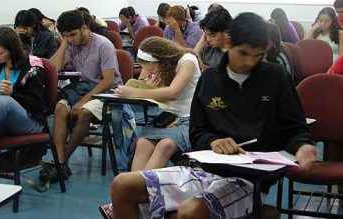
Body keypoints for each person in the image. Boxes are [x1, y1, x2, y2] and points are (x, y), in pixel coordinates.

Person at [100, 12, 317, 219]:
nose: (248, 62)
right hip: (204, 170)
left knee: (191, 211)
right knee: (122, 186)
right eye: (242, 53)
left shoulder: (275, 77)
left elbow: (295, 127)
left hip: (250, 180)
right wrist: (213, 141)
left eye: (257, 56)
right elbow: (197, 133)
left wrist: (303, 145)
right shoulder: (211, 79)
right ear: (229, 43)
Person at [43, 10, 122, 181]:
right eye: (66, 36)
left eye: (72, 34)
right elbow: (54, 68)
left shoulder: (103, 45)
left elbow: (108, 81)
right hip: (83, 88)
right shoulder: (71, 44)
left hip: (108, 92)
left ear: (84, 28)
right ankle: (61, 161)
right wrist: (64, 44)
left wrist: (82, 101)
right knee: (60, 108)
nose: (70, 39)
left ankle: (62, 161)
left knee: (85, 112)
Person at [114, 36, 201, 171]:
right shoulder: (153, 64)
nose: (152, 73)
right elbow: (144, 83)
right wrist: (147, 87)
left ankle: (144, 187)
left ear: (163, 60)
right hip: (167, 117)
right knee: (143, 144)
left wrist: (135, 92)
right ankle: (135, 189)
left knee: (164, 145)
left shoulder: (187, 61)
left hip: (189, 118)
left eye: (153, 70)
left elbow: (173, 93)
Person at [0, 27, 45, 138]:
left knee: (5, 102)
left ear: (12, 50)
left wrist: (13, 94)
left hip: (29, 120)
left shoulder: (32, 68)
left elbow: (36, 105)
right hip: (0, 121)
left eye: (0, 52)